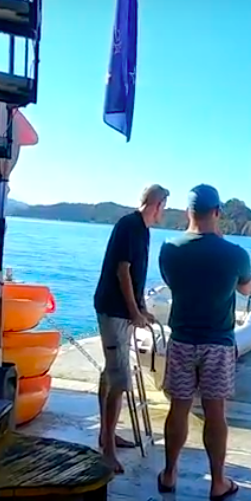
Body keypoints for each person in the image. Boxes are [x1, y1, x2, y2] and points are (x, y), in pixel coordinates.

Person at [156, 184, 251, 501]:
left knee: (178, 409)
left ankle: (170, 474)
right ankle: (218, 482)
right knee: (216, 414)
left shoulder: (169, 248)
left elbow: (172, 283)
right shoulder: (235, 254)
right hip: (218, 343)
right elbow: (245, 289)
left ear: (188, 212)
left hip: (183, 339)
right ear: (217, 213)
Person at [93, 183, 169, 473]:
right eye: (164, 206)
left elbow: (135, 274)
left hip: (122, 309)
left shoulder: (143, 230)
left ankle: (106, 434)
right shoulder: (129, 225)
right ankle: (108, 451)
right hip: (113, 310)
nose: (164, 212)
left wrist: (142, 308)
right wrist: (133, 311)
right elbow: (121, 270)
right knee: (120, 378)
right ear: (157, 204)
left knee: (110, 372)